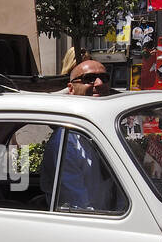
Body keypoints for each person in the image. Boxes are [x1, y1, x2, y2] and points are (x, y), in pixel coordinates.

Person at [41, 59, 118, 212]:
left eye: (104, 78)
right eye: (89, 79)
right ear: (71, 89)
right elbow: (77, 206)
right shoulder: (66, 143)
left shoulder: (108, 132)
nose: (99, 83)